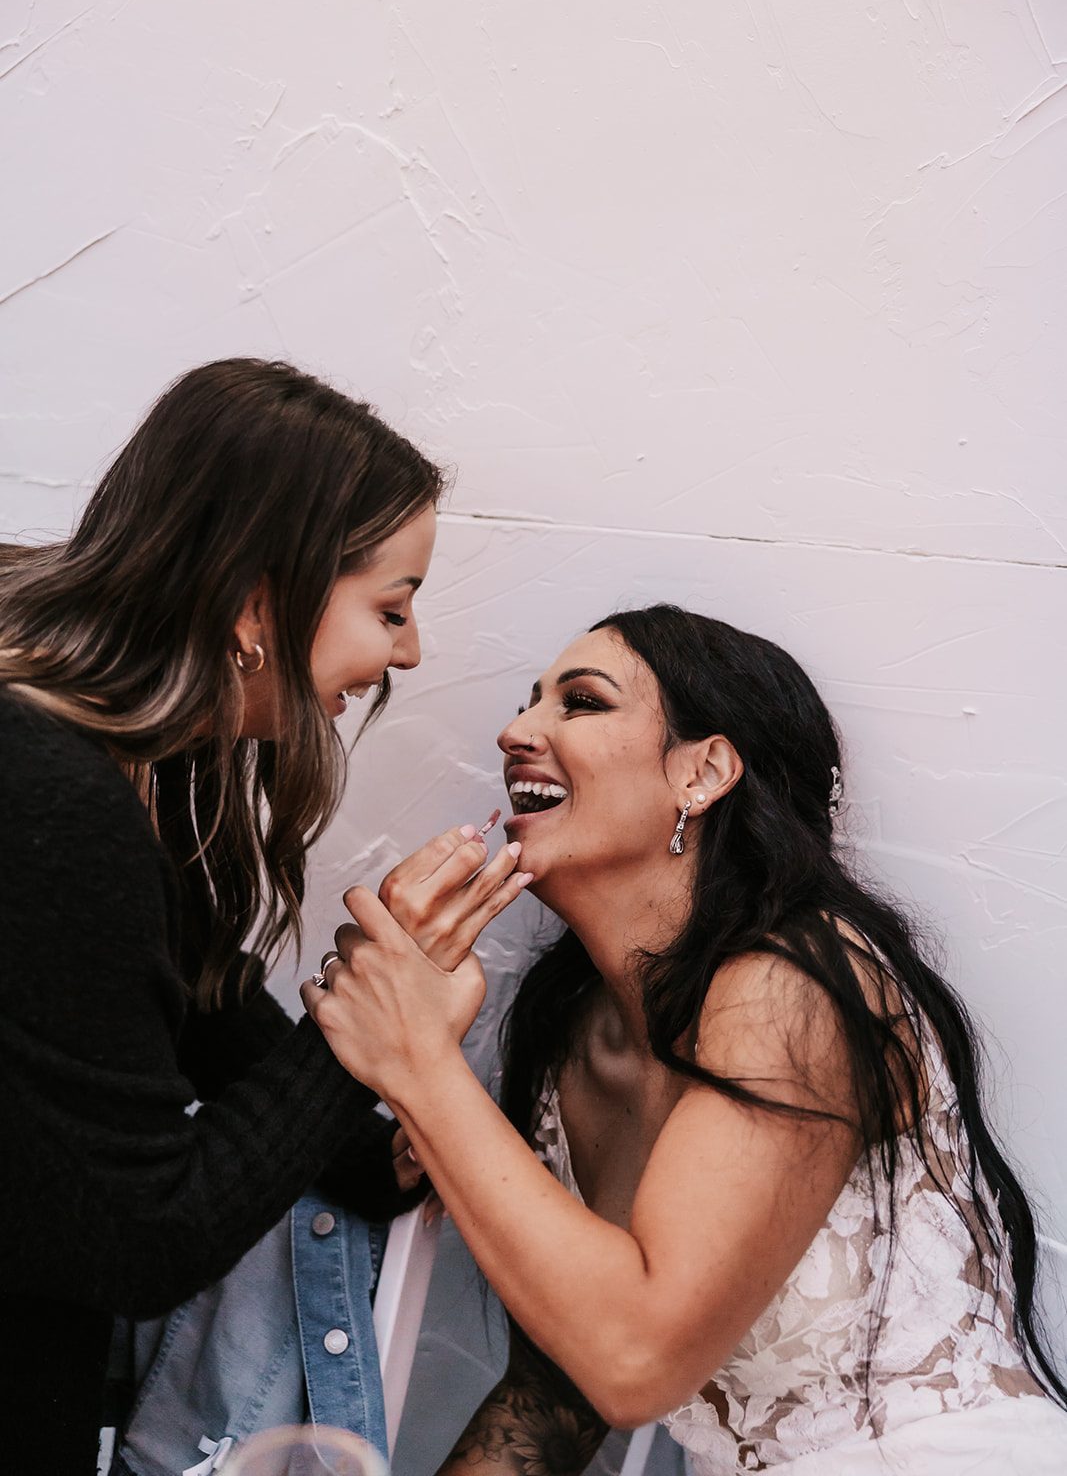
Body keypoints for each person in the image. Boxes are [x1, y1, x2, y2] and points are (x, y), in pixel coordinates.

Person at [303, 604, 1067, 1474]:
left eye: (580, 703)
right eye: (527, 704)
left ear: (702, 773)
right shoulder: (574, 1037)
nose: (516, 731)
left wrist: (418, 1064)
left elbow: (635, 1363)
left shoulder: (801, 983)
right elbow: (559, 1395)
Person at [0, 358, 525, 1473]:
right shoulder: (48, 796)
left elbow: (197, 1005)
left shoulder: (106, 760)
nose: (408, 653)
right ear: (254, 600)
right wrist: (381, 1006)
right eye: (390, 607)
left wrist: (383, 1133)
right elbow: (141, 1239)